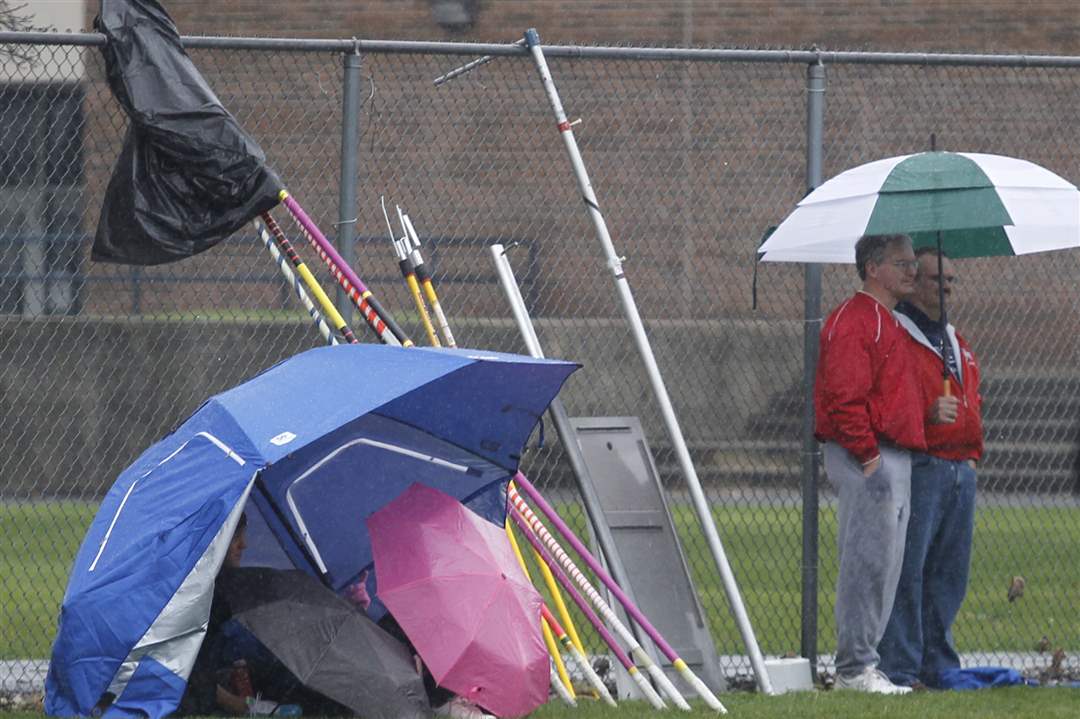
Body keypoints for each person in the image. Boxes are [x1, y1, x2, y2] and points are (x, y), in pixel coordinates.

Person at [814, 233, 927, 695]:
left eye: (913, 263)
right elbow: (844, 396)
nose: (912, 272)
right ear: (872, 267)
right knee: (866, 561)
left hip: (891, 454)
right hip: (869, 454)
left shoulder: (892, 322)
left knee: (886, 564)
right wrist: (868, 455)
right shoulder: (856, 319)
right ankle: (853, 669)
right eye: (901, 263)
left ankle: (864, 664)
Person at [878, 248, 982, 689]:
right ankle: (900, 664)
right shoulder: (900, 333)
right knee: (910, 568)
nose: (946, 286)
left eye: (952, 279)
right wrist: (925, 413)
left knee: (948, 574)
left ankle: (937, 660)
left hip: (961, 465)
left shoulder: (953, 338)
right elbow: (890, 399)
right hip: (924, 464)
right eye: (937, 277)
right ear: (914, 281)